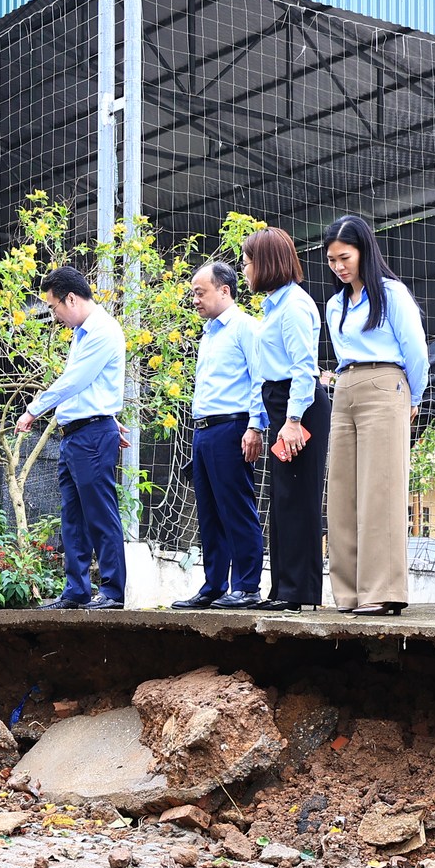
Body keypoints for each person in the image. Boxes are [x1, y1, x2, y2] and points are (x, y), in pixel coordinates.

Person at [321, 214, 428, 616]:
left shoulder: (392, 294)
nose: (339, 266)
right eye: (332, 260)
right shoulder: (335, 304)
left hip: (386, 383)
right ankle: (349, 593)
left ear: (363, 252)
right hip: (345, 386)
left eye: (345, 257)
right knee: (342, 490)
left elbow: (416, 350)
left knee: (380, 488)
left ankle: (382, 592)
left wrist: (414, 396)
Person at [16, 265, 128, 610]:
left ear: (72, 299)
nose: (55, 315)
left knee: (100, 513)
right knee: (73, 518)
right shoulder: (81, 334)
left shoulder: (102, 331)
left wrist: (33, 410)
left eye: (54, 307)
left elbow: (75, 381)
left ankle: (112, 592)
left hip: (91, 434)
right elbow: (90, 386)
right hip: (77, 434)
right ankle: (76, 590)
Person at [172, 260, 268, 610]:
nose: (195, 299)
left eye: (200, 292)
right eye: (193, 293)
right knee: (209, 513)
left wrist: (256, 426)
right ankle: (214, 585)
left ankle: (247, 586)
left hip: (233, 427)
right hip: (203, 430)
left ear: (224, 290)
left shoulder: (246, 328)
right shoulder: (210, 333)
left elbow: (260, 379)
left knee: (236, 508)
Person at [244, 227, 330, 610]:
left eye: (248, 263)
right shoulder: (274, 306)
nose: (245, 270)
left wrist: (293, 419)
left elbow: (303, 368)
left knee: (298, 498)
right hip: (280, 404)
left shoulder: (294, 305)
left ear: (265, 263)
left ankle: (299, 593)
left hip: (300, 405)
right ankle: (282, 590)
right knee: (282, 500)